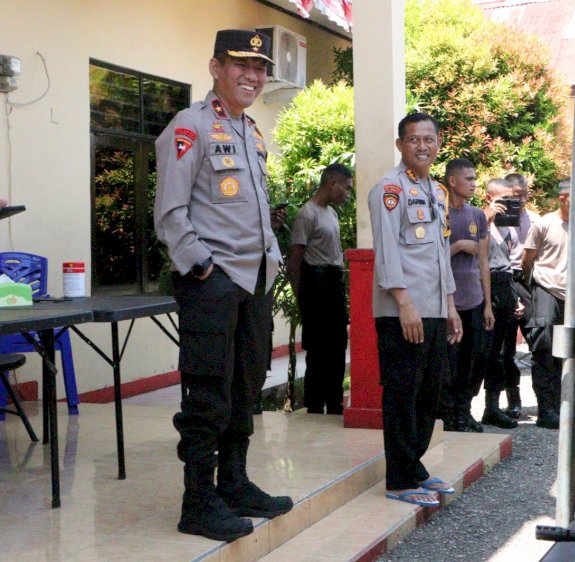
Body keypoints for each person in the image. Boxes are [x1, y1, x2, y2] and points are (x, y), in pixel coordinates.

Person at [154, 29, 293, 542]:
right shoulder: (188, 128)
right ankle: (198, 501)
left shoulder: (251, 132)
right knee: (208, 393)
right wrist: (201, 266)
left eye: (260, 68)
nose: (253, 76)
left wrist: (271, 259)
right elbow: (170, 211)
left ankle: (234, 484)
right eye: (242, 65)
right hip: (212, 282)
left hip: (252, 281)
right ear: (216, 68)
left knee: (245, 388)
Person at [368, 112, 461, 507]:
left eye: (429, 139)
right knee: (403, 392)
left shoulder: (436, 192)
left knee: (429, 392)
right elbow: (387, 250)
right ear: (400, 145)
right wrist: (404, 303)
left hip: (436, 308)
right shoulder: (389, 189)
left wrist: (451, 306)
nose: (422, 146)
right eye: (413, 140)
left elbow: (441, 254)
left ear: (438, 143)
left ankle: (415, 465)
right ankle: (400, 477)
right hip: (402, 311)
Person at [440, 158, 508, 432]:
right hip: (449, 302)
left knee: (473, 360)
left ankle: (465, 412)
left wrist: (488, 304)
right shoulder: (439, 214)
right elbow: (431, 258)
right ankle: (448, 416)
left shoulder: (478, 215)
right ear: (452, 181)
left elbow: (483, 262)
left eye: (474, 179)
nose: (473, 184)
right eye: (468, 179)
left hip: (475, 301)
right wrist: (456, 247)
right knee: (450, 363)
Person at [288, 163, 353, 415]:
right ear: (332, 183)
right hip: (315, 284)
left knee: (337, 345)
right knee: (317, 349)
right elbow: (295, 259)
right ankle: (314, 406)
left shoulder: (331, 213)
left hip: (333, 283)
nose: (347, 194)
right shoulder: (308, 214)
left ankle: (335, 403)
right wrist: (300, 294)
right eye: (345, 188)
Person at [520, 180, 571, 429]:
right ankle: (545, 409)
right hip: (545, 290)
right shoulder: (544, 224)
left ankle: (562, 404)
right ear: (562, 198)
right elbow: (527, 260)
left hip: (569, 296)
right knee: (544, 350)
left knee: (565, 351)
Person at [480, 177, 523, 428]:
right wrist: (486, 217)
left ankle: (493, 406)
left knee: (504, 351)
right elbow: (479, 258)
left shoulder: (509, 225)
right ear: (490, 198)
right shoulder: (479, 219)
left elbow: (510, 262)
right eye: (504, 199)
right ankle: (479, 406)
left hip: (506, 284)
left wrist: (514, 296)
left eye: (513, 198)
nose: (510, 203)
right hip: (487, 286)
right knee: (486, 351)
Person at [501, 173, 540, 418]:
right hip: (505, 280)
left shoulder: (535, 220)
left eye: (525, 194)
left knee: (539, 340)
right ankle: (512, 399)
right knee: (506, 348)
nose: (522, 200)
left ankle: (546, 398)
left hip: (529, 280)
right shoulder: (498, 221)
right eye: (517, 195)